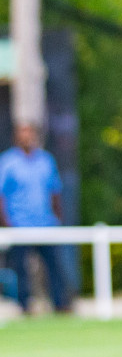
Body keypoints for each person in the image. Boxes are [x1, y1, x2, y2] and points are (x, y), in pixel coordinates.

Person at [0, 122, 71, 314]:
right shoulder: (7, 162)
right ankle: (24, 305)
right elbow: (2, 195)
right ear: (16, 137)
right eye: (23, 134)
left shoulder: (46, 160)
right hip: (19, 224)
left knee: (54, 266)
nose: (27, 137)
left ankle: (60, 303)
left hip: (45, 223)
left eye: (30, 133)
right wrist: (6, 223)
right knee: (20, 268)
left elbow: (54, 191)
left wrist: (57, 219)